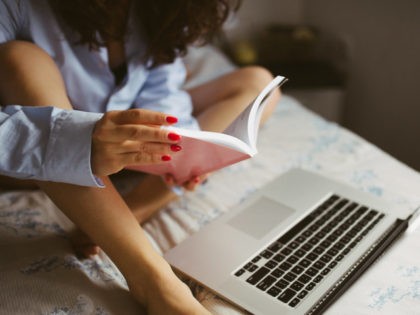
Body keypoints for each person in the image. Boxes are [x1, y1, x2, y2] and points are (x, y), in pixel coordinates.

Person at [0, 0, 281, 313]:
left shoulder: (151, 10)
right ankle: (152, 279)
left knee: (259, 84)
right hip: (32, 157)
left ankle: (137, 206)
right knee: (20, 58)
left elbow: (162, 91)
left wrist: (186, 153)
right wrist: (77, 139)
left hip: (123, 144)